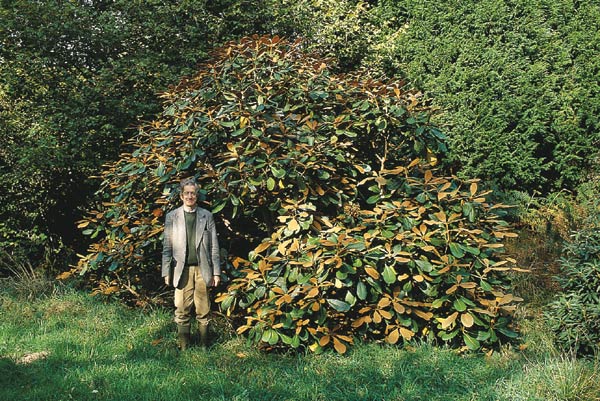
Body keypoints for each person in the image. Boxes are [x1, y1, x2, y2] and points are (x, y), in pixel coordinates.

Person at [162, 177, 221, 350]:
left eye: (193, 193)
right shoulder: (172, 217)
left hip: (203, 269)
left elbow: (214, 246)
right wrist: (166, 271)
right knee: (181, 309)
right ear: (181, 195)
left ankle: (204, 347)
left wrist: (216, 272)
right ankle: (184, 347)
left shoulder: (206, 216)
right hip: (181, 270)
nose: (190, 196)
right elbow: (167, 246)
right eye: (186, 193)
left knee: (203, 310)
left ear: (197, 195)